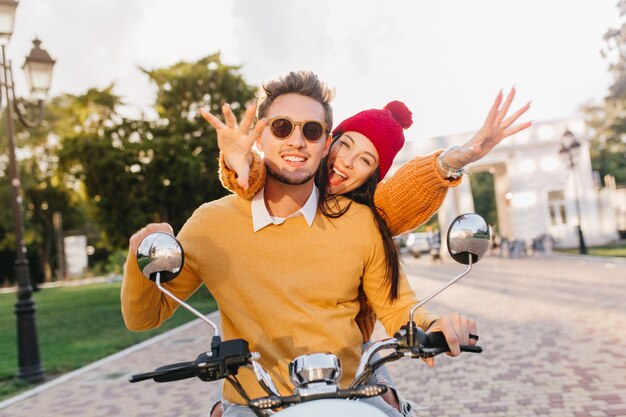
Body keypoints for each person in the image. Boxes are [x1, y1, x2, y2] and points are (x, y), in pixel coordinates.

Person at [121, 71, 507, 417]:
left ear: (325, 142)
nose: (296, 140)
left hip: (352, 393)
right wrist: (141, 254)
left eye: (310, 131)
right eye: (282, 127)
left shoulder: (359, 220)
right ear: (261, 135)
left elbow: (398, 307)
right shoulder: (211, 222)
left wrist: (437, 323)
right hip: (252, 402)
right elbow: (144, 317)